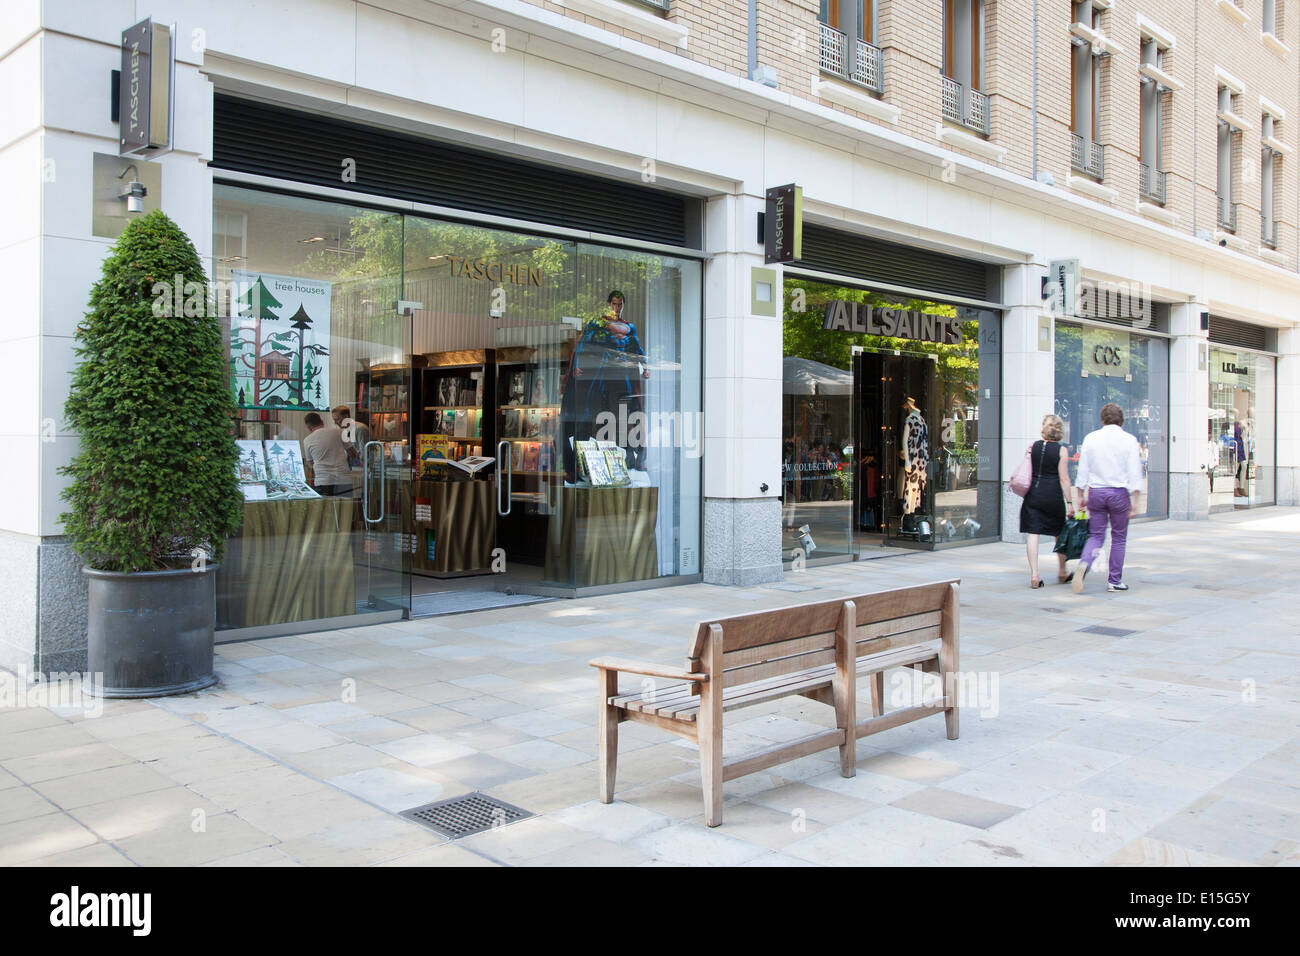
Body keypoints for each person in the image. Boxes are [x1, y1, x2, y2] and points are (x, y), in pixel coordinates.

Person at [1072, 403, 1143, 594]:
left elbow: (1083, 470)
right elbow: (1134, 472)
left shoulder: (1091, 438)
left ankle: (1084, 563)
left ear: (1102, 419)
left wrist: (1080, 495)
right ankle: (1114, 580)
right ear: (1122, 420)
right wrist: (1136, 501)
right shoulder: (1129, 440)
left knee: (1096, 536)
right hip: (1119, 493)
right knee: (1119, 538)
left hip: (1096, 492)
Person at [1020, 413, 1074, 588]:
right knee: (1059, 533)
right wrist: (1070, 503)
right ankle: (1062, 571)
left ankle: (1035, 575)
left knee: (1033, 533)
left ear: (1044, 429)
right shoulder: (1061, 450)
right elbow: (1064, 479)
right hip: (1053, 496)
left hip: (1033, 494)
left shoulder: (1032, 446)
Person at [302, 412, 352, 497]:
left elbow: (310, 463)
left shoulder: (307, 440)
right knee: (345, 508)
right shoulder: (339, 432)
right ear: (322, 422)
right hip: (343, 478)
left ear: (309, 428)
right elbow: (352, 452)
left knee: (327, 509)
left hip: (323, 481)